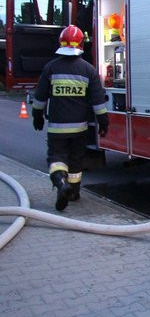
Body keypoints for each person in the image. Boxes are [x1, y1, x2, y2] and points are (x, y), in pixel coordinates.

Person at [31, 25, 109, 211]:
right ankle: (73, 192)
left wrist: (37, 116)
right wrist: (103, 122)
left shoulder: (51, 68)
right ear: (81, 44)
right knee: (76, 160)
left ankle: (60, 184)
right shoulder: (88, 70)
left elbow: (40, 97)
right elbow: (98, 100)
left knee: (56, 158)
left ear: (61, 42)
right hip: (79, 129)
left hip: (57, 127)